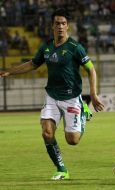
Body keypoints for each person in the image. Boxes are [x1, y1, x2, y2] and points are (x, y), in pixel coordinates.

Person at [0, 8, 104, 180]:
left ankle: (84, 111)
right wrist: (9, 72)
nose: (60, 27)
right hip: (52, 96)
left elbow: (91, 70)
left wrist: (93, 94)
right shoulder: (46, 47)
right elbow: (33, 64)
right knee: (47, 132)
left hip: (71, 98)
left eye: (63, 23)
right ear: (52, 26)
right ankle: (62, 169)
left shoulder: (75, 47)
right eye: (57, 23)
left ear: (68, 27)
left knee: (73, 140)